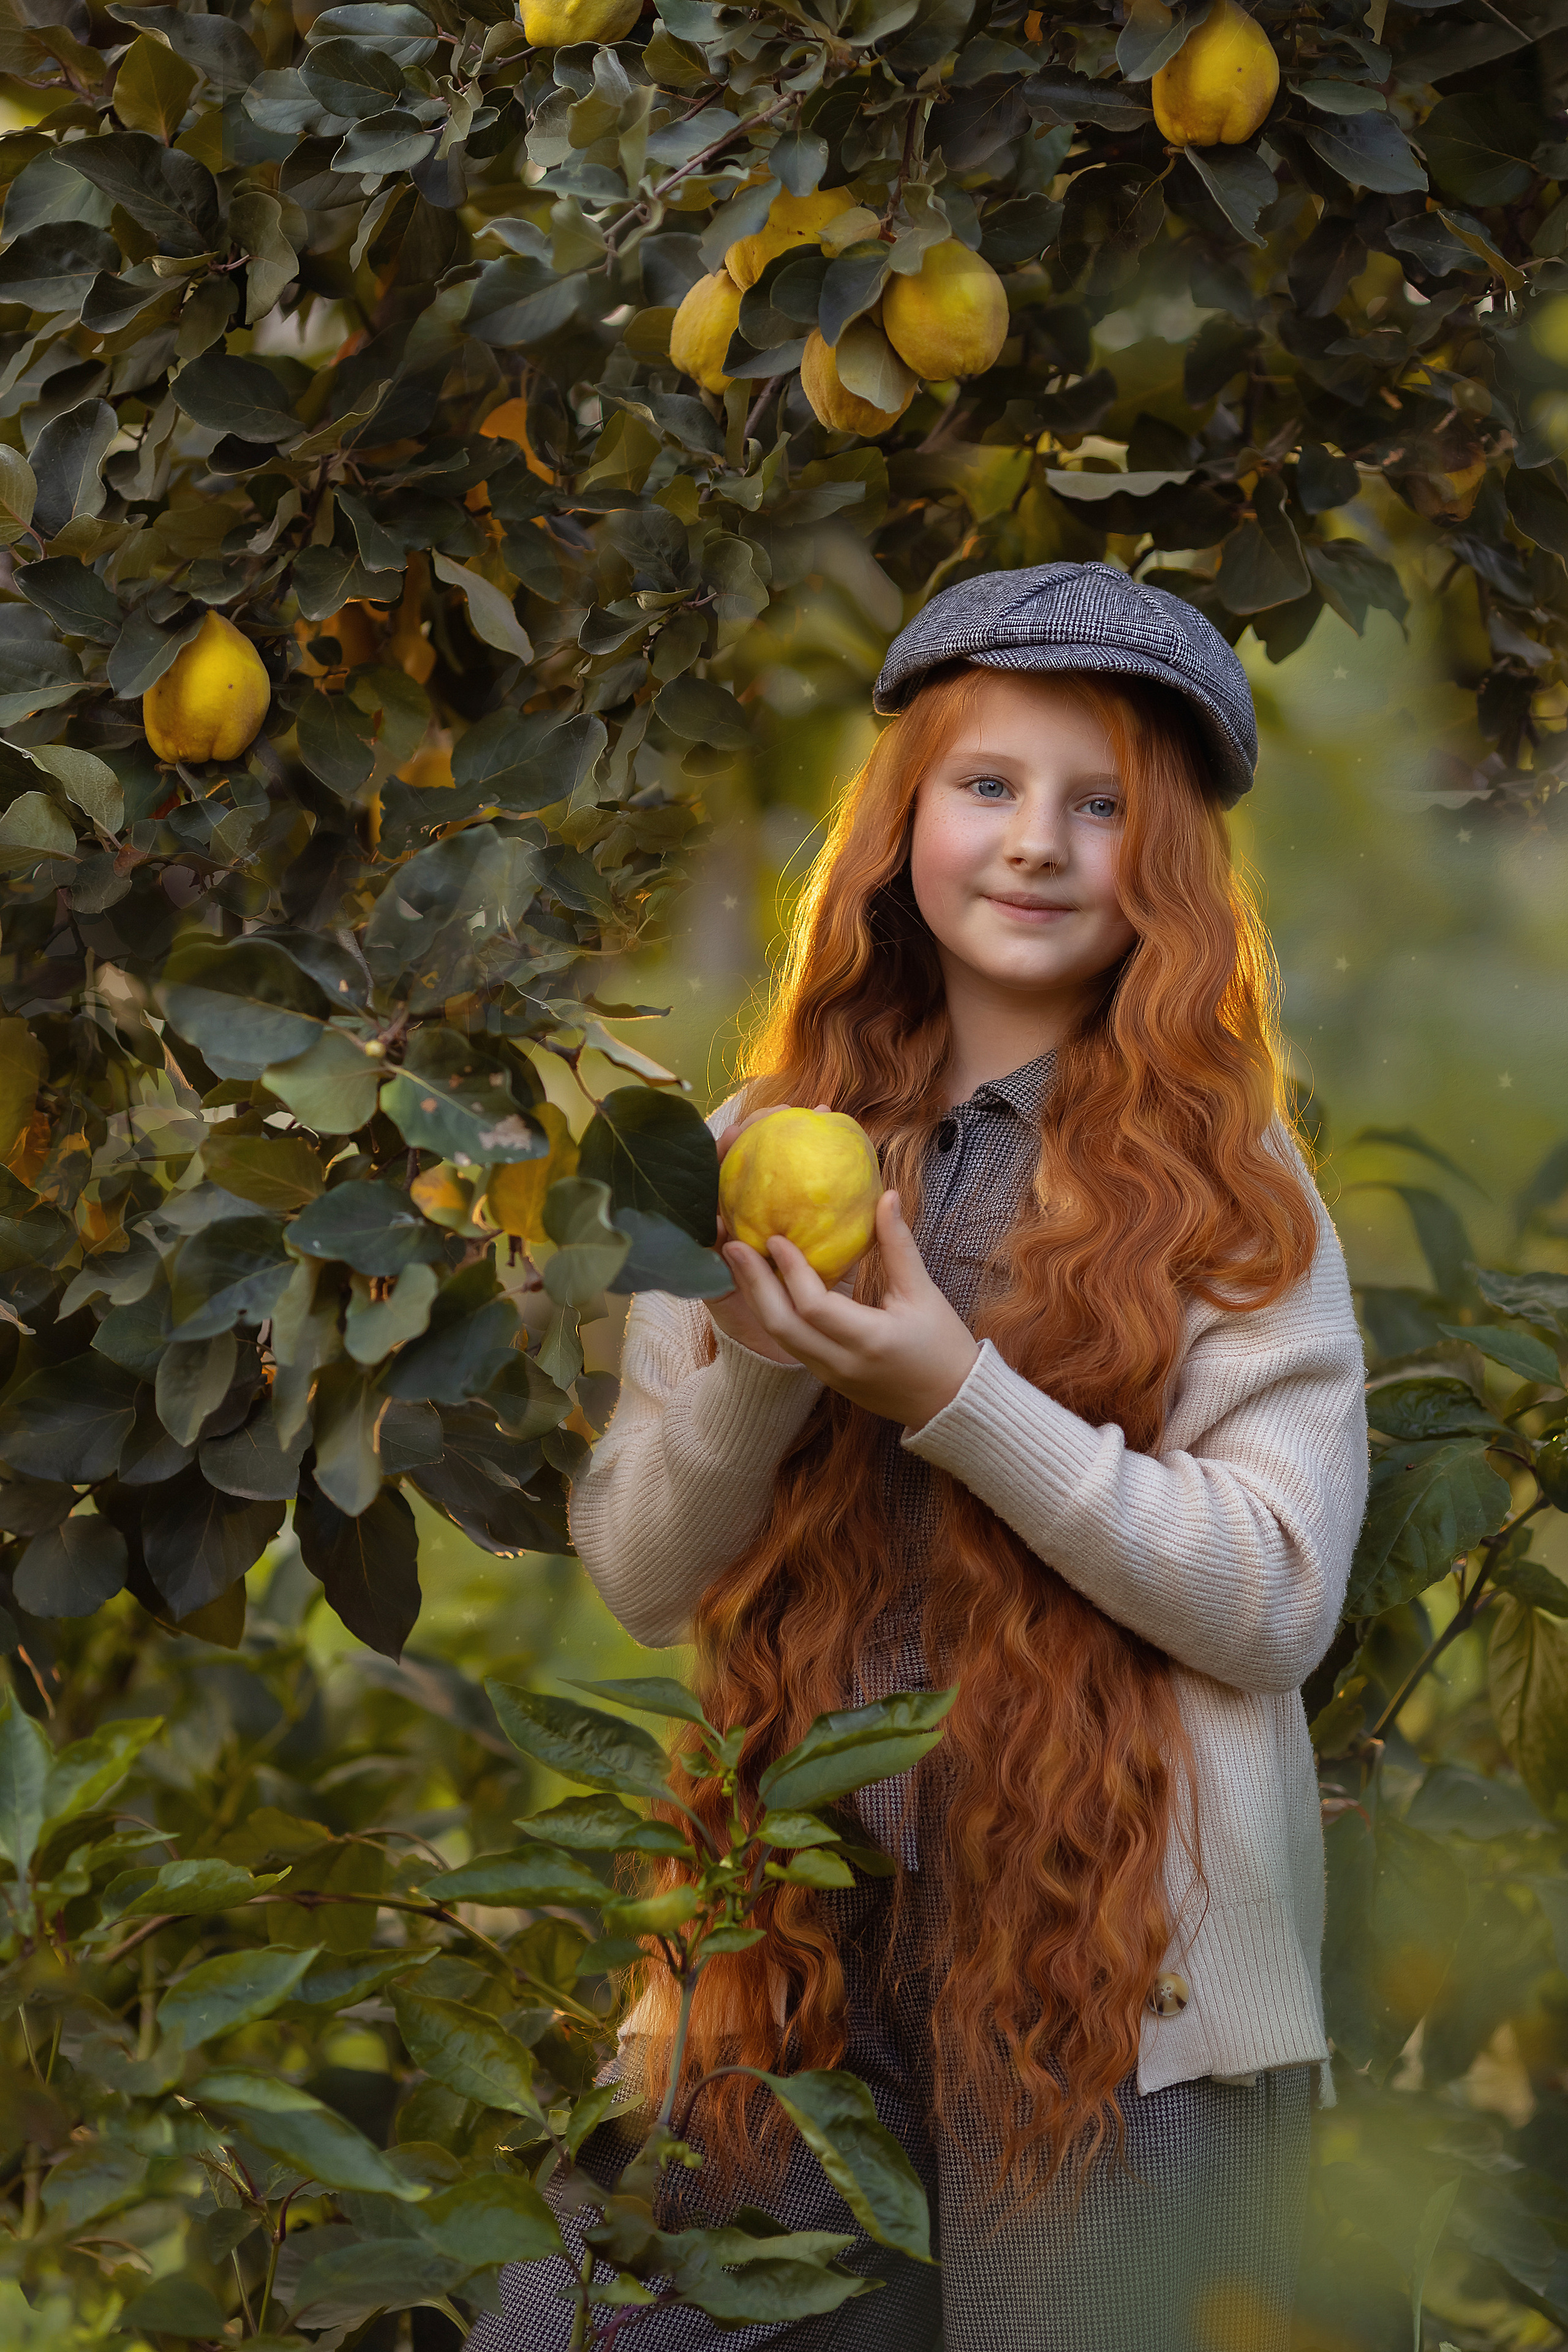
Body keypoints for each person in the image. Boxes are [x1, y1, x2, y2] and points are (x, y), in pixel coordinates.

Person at [472, 562, 1369, 2352]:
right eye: (989, 787)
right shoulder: (740, 1149)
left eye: (1099, 804)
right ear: (900, 828)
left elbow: (1272, 1596)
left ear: (1167, 867)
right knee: (559, 2326)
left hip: (1118, 1967)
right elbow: (646, 1573)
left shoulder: (1238, 1193)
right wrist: (760, 1370)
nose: (1035, 842)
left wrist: (954, 1390)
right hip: (785, 1941)